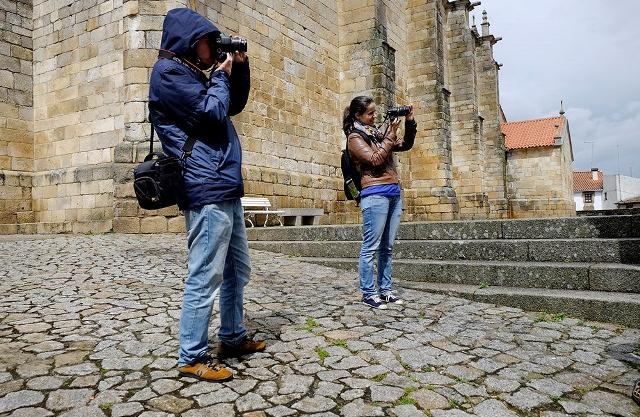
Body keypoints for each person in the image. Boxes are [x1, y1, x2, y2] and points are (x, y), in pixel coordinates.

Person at [148, 8, 265, 382]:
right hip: (204, 185)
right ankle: (192, 355)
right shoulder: (167, 74)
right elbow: (212, 114)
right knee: (205, 274)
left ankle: (231, 337)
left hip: (223, 184)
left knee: (237, 269)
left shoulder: (192, 73)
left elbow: (233, 104)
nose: (213, 47)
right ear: (188, 40)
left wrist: (239, 68)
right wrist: (219, 76)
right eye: (207, 41)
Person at [343, 96, 417, 309]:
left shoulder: (376, 133)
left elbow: (405, 144)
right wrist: (391, 133)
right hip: (374, 194)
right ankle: (368, 293)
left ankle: (385, 290)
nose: (375, 116)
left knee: (387, 247)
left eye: (375, 112)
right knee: (371, 247)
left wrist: (409, 122)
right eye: (370, 113)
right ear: (358, 115)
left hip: (393, 192)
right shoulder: (354, 138)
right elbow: (375, 159)